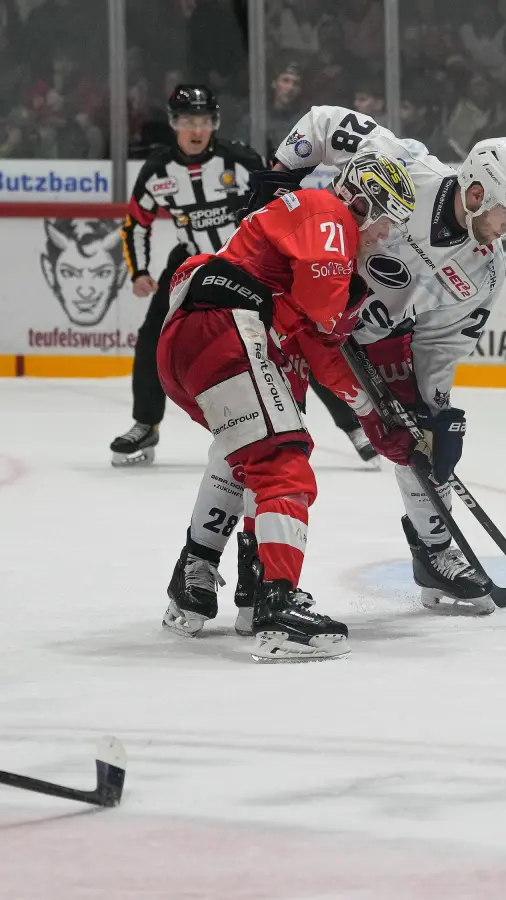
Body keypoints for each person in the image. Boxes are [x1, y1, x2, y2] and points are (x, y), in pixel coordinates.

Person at [243, 105, 506, 613]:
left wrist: (434, 411)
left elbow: (442, 344)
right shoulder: (406, 164)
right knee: (267, 434)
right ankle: (236, 564)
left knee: (419, 436)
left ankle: (436, 557)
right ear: (477, 194)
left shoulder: (484, 272)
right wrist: (282, 175)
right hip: (299, 305)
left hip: (368, 336)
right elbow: (323, 123)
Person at [157, 146, 418, 661]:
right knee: (282, 463)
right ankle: (279, 610)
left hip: (199, 340)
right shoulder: (329, 213)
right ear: (364, 203)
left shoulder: (309, 237)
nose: (386, 235)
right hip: (227, 327)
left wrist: (370, 413)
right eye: (387, 221)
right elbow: (323, 309)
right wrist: (347, 308)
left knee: (249, 455)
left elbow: (322, 351)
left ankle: (204, 584)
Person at [111, 85, 379, 468]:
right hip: (195, 266)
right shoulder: (156, 171)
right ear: (173, 123)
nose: (196, 129)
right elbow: (136, 223)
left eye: (204, 120)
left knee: (304, 336)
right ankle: (145, 423)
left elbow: (282, 200)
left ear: (215, 122)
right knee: (153, 337)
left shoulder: (239, 160)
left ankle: (352, 426)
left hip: (250, 266)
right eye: (187, 121)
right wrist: (139, 271)